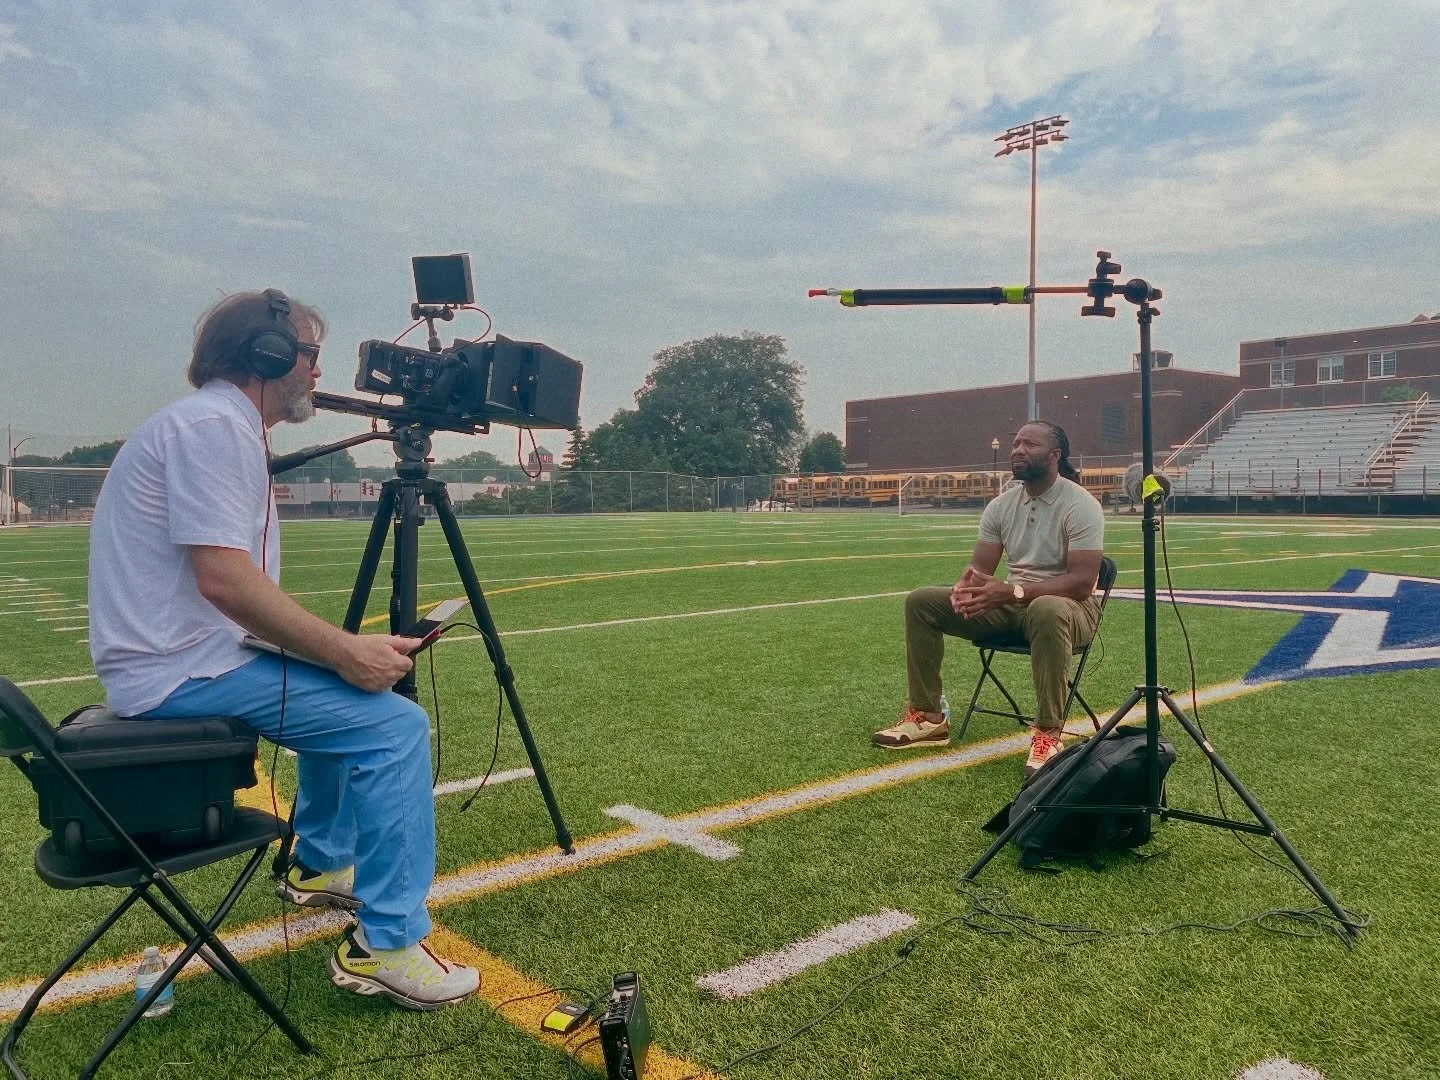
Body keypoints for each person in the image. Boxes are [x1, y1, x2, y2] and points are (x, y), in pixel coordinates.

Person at [87, 289, 480, 1010]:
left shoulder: (215, 423)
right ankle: (386, 945)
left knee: (353, 692)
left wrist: (337, 656)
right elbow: (225, 580)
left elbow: (225, 590)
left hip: (189, 655)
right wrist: (342, 651)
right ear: (266, 356)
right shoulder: (213, 428)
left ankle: (320, 864)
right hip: (178, 672)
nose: (315, 372)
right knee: (395, 729)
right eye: (308, 356)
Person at [872, 421, 1105, 777]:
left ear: (1055, 455)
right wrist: (968, 589)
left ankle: (1048, 734)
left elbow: (1082, 584)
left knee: (1047, 608)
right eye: (1015, 444)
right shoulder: (1001, 505)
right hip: (1012, 605)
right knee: (921, 601)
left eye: (1029, 444)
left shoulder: (1080, 504)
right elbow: (981, 570)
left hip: (1069, 609)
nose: (1018, 451)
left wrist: (1013, 591)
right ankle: (928, 718)